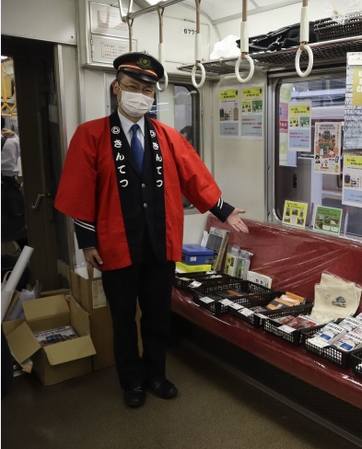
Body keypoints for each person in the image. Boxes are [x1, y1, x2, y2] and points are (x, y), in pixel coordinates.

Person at [55, 52, 249, 408]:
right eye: (132, 87)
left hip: (161, 245)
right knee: (124, 319)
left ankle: (156, 375)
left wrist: (223, 210)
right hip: (115, 246)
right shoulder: (91, 135)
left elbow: (195, 178)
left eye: (147, 89)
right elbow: (80, 190)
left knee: (159, 316)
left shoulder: (167, 136)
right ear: (117, 88)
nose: (139, 94)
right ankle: (131, 382)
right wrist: (87, 242)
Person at [1, 120, 27, 250]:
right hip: (10, 186)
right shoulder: (12, 141)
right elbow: (26, 152)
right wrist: (15, 136)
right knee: (18, 226)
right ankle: (32, 261)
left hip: (7, 187)